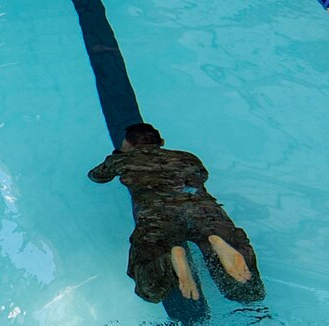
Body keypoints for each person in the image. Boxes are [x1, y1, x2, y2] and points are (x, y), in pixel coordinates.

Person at [90, 123, 262, 305]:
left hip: (158, 217)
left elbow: (96, 176)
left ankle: (171, 259)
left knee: (150, 289)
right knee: (249, 291)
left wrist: (120, 156)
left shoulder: (122, 161)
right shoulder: (188, 157)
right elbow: (202, 176)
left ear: (128, 144)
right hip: (202, 210)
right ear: (162, 142)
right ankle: (217, 242)